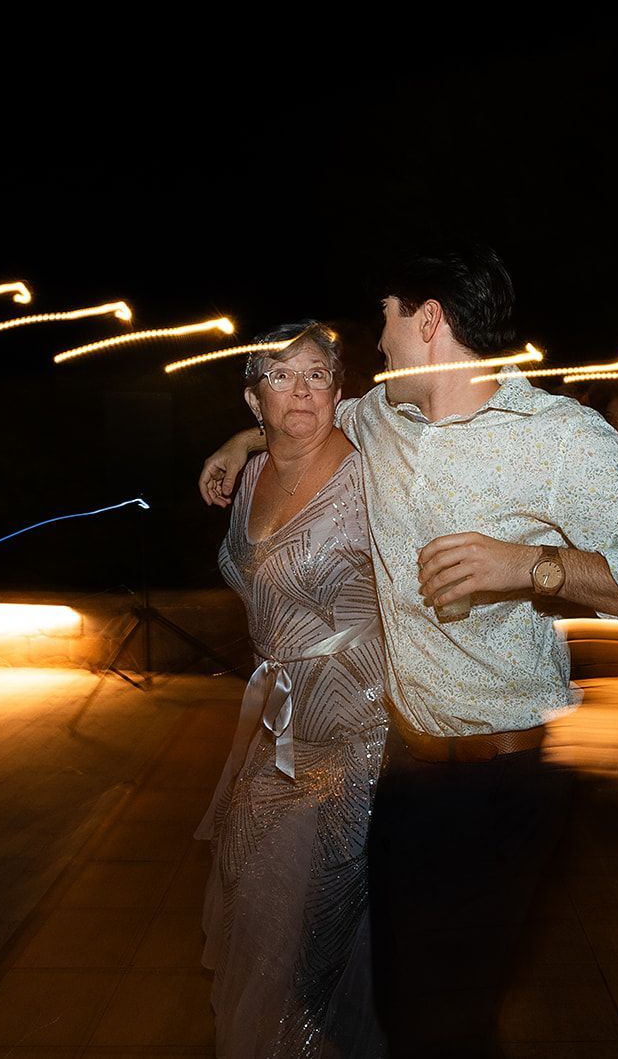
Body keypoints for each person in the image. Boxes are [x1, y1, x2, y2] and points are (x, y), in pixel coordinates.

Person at [201, 245, 618, 1054]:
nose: (377, 344)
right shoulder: (383, 419)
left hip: (503, 779)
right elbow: (305, 418)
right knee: (396, 1002)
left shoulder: (555, 437)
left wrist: (530, 564)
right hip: (404, 775)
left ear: (429, 320)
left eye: (386, 321)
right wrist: (241, 442)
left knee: (451, 1018)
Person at [194, 322, 388, 1059]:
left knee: (326, 929)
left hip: (355, 731)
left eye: (317, 374)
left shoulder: (373, 472)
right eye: (281, 375)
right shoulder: (247, 476)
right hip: (275, 728)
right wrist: (244, 445)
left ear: (341, 390)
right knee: (254, 900)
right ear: (254, 398)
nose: (302, 389)